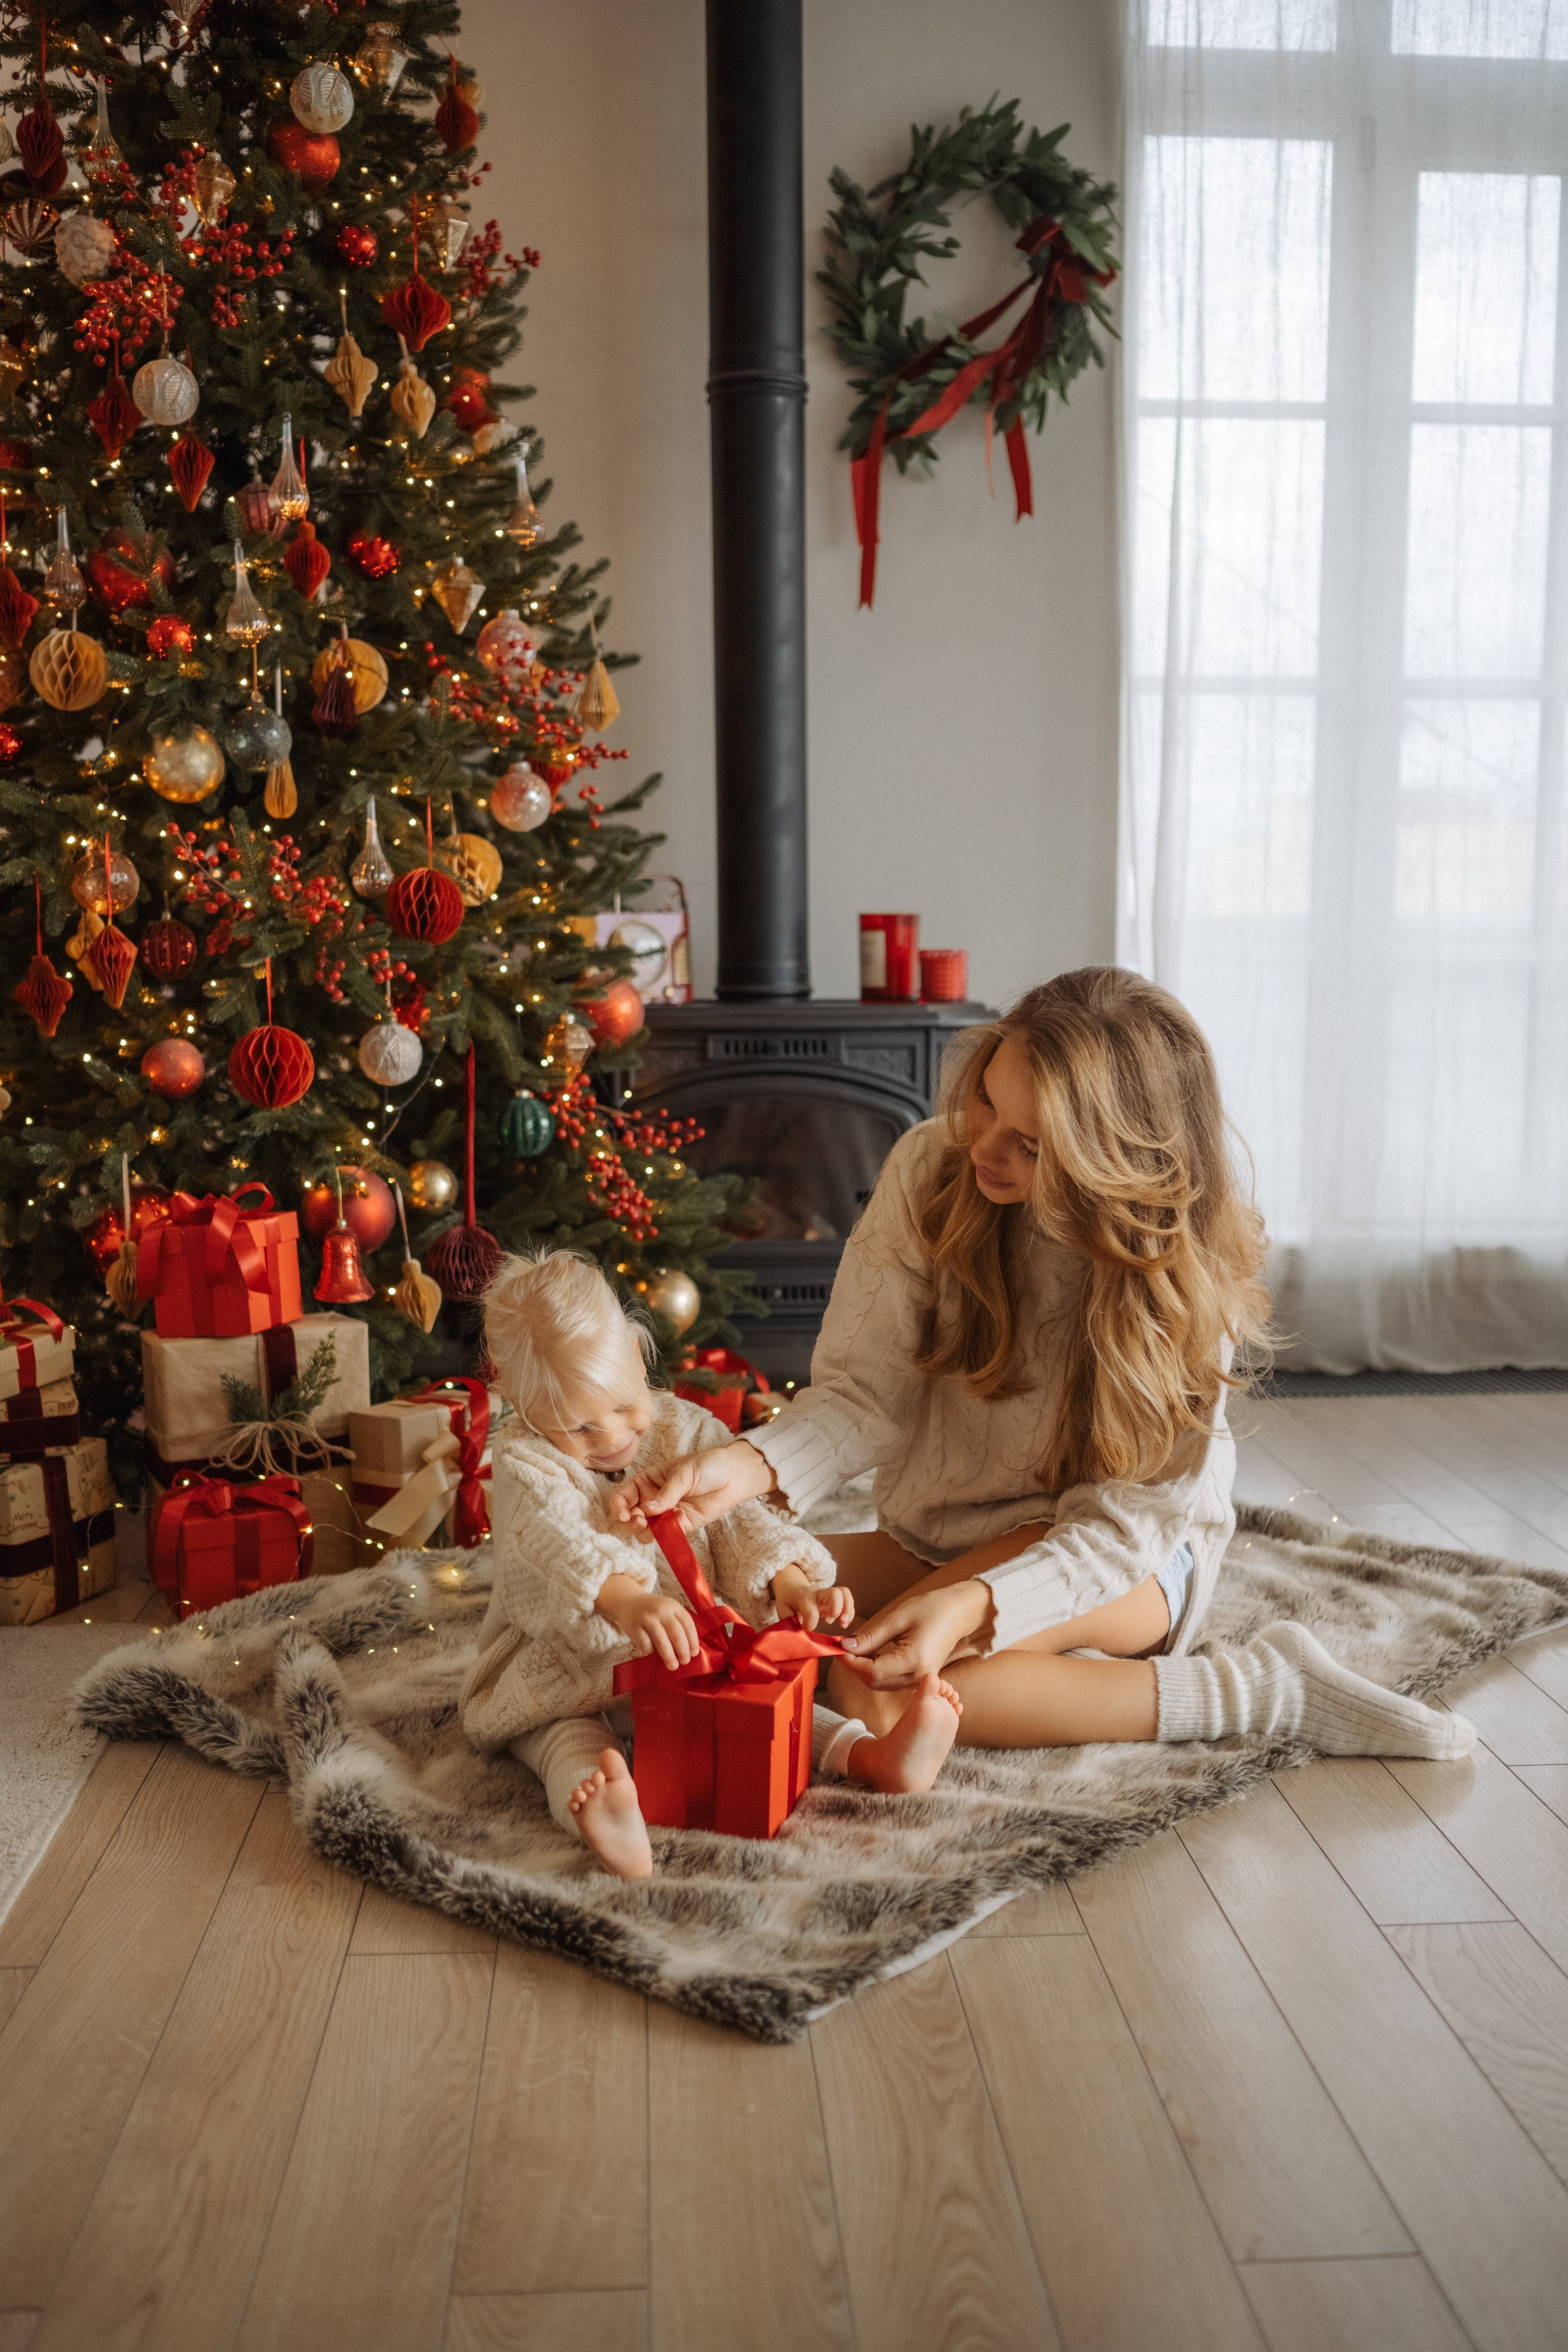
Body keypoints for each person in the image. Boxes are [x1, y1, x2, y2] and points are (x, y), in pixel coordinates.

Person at [622, 968, 1474, 1764]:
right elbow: (860, 1396)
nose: (986, 1148)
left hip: (1123, 1552)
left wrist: (973, 1606)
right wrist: (748, 1465)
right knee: (702, 1599)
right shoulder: (931, 1168)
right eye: (987, 1102)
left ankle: (1260, 1689)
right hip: (944, 1530)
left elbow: (1119, 1529)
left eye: (1030, 1145)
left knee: (876, 1699)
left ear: (1113, 1161)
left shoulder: (1175, 1276)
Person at [459, 1250, 967, 1881]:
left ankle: (873, 1757)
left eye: (625, 1403)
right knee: (563, 1735)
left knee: (762, 1704)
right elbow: (551, 1547)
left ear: (640, 1356)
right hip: (567, 1662)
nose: (615, 1436)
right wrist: (627, 1603)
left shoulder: (681, 1427)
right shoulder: (524, 1462)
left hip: (686, 1657)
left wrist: (792, 1584)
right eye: (581, 1427)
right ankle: (606, 1809)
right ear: (523, 1406)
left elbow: (738, 1518)